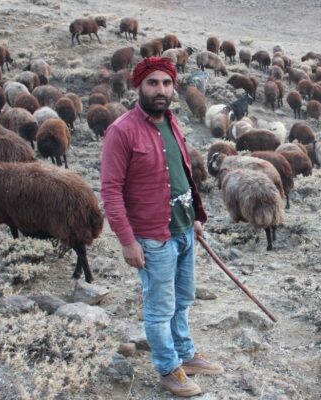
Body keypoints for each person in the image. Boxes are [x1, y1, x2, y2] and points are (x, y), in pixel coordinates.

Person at [100, 57, 223, 397]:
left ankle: (185, 354)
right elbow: (110, 190)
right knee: (159, 308)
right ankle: (168, 368)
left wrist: (194, 216)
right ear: (139, 86)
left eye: (167, 83)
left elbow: (182, 174)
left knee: (183, 299)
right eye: (153, 83)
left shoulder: (172, 121)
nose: (161, 90)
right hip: (152, 237)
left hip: (183, 230)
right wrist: (127, 241)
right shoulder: (121, 131)